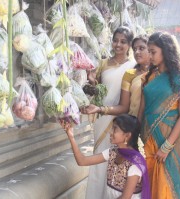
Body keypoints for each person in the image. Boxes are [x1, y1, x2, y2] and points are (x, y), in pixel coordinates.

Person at [137, 32, 180, 199]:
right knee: (151, 183)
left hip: (170, 141)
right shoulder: (148, 78)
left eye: (153, 51)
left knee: (167, 185)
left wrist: (167, 146)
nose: (149, 55)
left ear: (166, 50)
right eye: (148, 51)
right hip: (148, 140)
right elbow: (141, 111)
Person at [85, 26, 136, 199]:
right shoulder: (103, 63)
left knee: (115, 163)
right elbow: (97, 92)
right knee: (99, 160)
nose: (118, 45)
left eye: (123, 42)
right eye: (115, 40)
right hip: (101, 119)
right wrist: (92, 82)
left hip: (120, 122)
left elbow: (126, 103)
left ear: (129, 45)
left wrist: (102, 110)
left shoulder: (133, 67)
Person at [60, 114, 150, 199]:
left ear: (127, 135)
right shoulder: (113, 152)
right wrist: (71, 135)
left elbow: (125, 197)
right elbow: (82, 161)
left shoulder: (135, 163)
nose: (110, 132)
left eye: (115, 129)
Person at [84, 34, 151, 117]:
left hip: (156, 122)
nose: (137, 52)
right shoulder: (129, 74)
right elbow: (124, 106)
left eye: (141, 48)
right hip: (133, 122)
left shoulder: (158, 74)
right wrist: (99, 109)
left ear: (150, 49)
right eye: (135, 49)